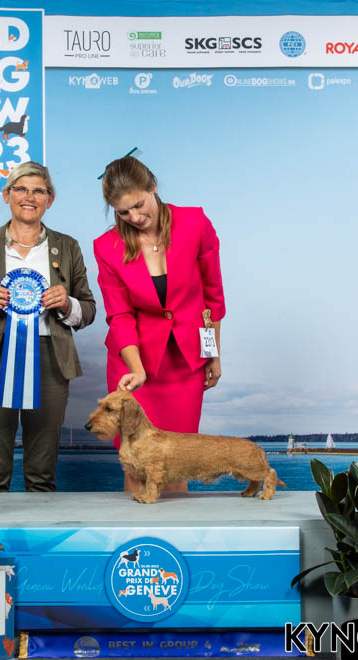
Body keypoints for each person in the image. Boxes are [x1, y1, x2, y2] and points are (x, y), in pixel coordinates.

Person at [0, 162, 96, 492]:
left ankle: (38, 527)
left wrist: (67, 304)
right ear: (6, 195)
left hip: (51, 362)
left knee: (42, 473)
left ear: (50, 199)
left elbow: (88, 310)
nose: (29, 197)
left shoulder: (68, 246)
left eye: (38, 191)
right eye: (20, 189)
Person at [94, 156, 225, 493]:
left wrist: (213, 353)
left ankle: (174, 529)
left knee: (177, 464)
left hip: (185, 362)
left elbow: (212, 297)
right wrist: (136, 370)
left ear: (152, 187)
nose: (135, 217)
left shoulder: (195, 223)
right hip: (134, 363)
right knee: (137, 464)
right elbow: (119, 315)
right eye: (123, 212)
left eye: (139, 205)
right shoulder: (106, 247)